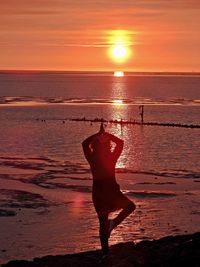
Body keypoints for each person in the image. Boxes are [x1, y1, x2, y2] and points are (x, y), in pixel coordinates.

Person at [82, 123, 135, 254]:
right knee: (106, 220)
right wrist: (106, 136)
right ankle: (105, 250)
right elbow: (120, 142)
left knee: (105, 221)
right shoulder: (100, 157)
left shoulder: (97, 157)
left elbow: (84, 143)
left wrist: (99, 135)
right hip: (106, 192)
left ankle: (106, 248)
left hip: (104, 192)